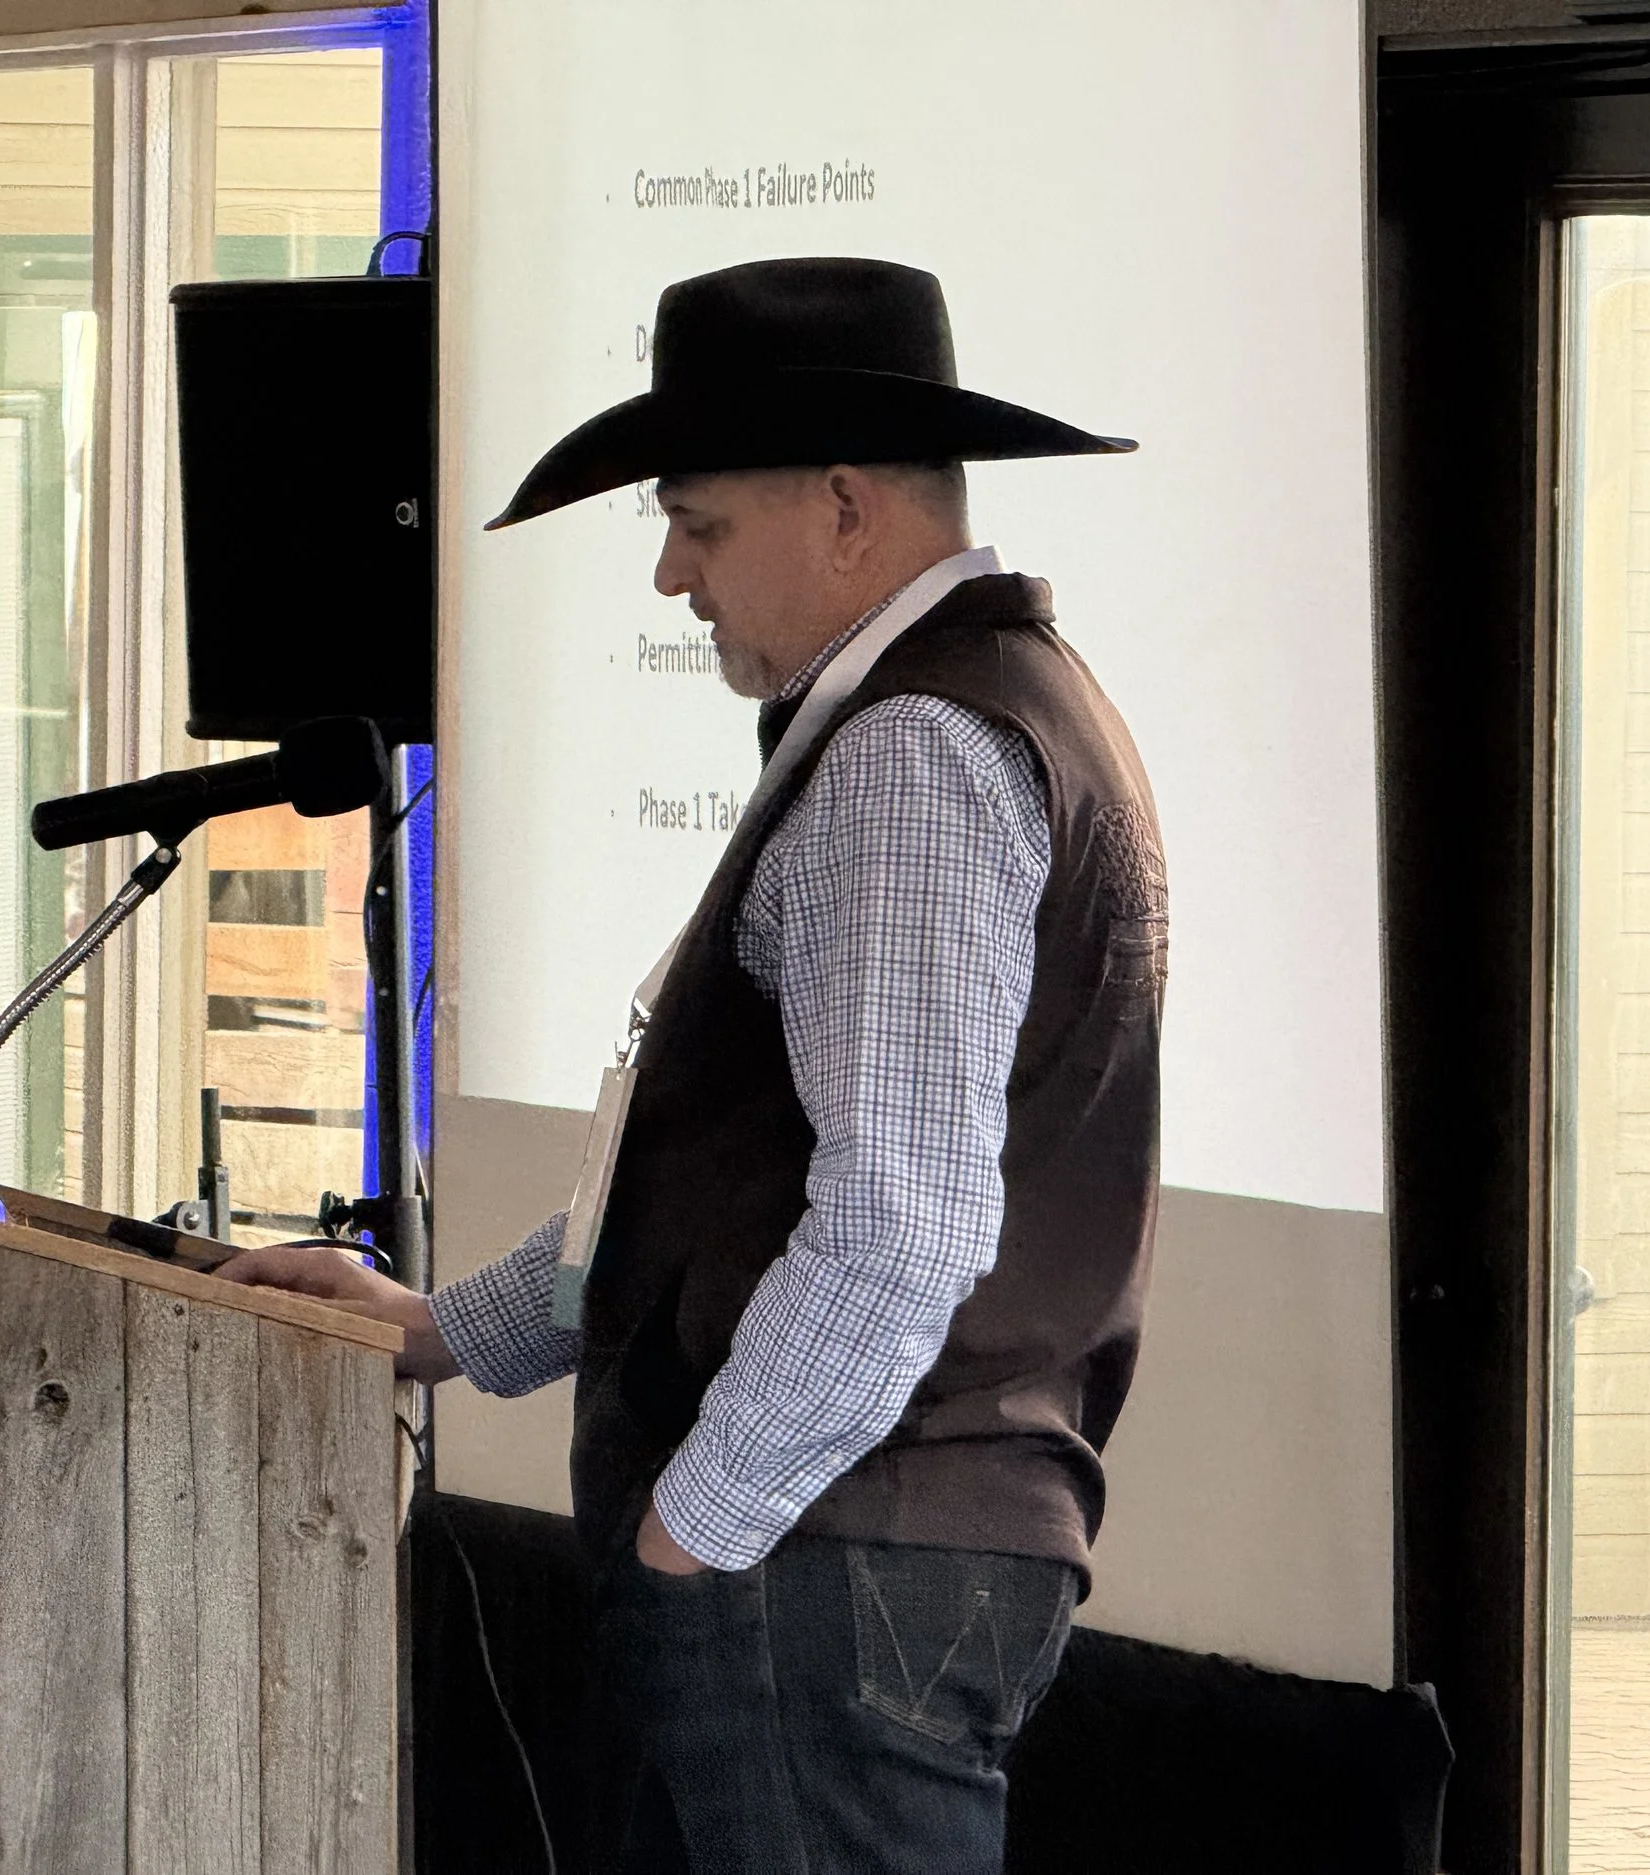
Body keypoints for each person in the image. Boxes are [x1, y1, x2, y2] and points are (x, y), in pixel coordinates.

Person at [222, 256, 1167, 1874]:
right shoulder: (969, 711)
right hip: (843, 1554)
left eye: (700, 523)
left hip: (827, 1559)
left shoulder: (916, 753)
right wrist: (448, 1333)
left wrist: (694, 1533)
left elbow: (899, 1227)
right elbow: (721, 1188)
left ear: (848, 509)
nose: (672, 576)